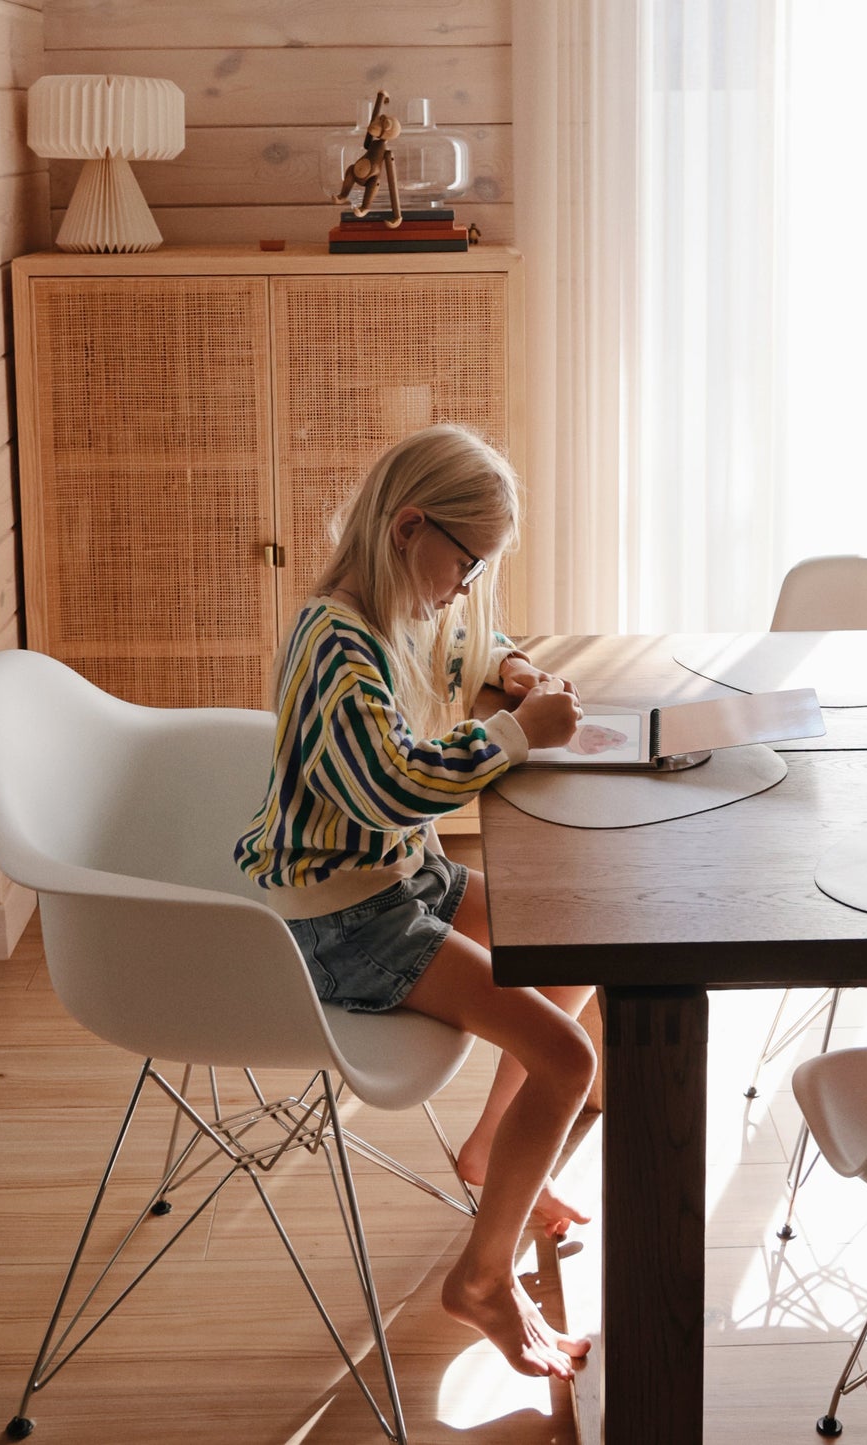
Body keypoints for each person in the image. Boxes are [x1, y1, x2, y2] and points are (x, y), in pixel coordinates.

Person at [236, 423, 598, 1380]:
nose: (469, 584)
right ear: (408, 528)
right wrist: (515, 735)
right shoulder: (333, 643)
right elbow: (390, 785)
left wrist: (513, 672)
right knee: (567, 1056)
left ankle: (488, 1149)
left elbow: (476, 642)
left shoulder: (409, 602)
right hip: (342, 919)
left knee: (573, 939)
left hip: (404, 880)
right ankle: (481, 1280)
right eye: (466, 560)